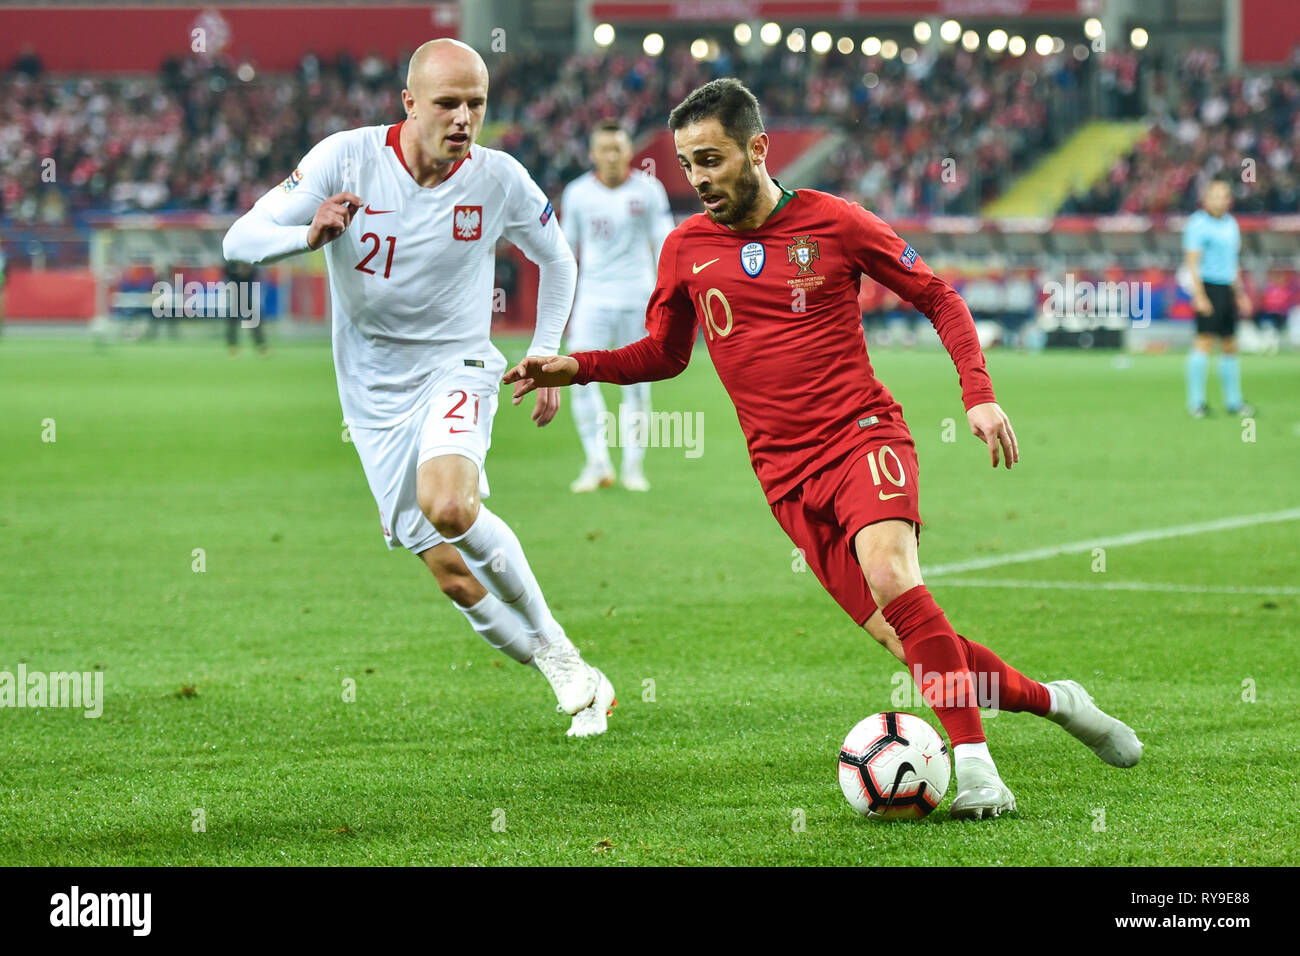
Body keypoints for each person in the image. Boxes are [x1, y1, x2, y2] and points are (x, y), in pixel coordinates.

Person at [507, 78, 1142, 815]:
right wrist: (577, 366)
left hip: (862, 435)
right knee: (917, 645)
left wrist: (978, 394)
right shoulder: (685, 249)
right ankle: (1060, 702)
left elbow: (938, 294)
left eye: (712, 159)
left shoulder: (835, 223)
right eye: (687, 165)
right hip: (785, 478)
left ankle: (976, 769)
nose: (700, 179)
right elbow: (666, 354)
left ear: (757, 149)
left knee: (892, 573)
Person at [223, 39, 614, 737]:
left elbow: (558, 260)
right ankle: (576, 679)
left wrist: (548, 350)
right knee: (454, 576)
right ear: (409, 104)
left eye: (476, 104)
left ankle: (557, 647)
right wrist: (305, 237)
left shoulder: (498, 179)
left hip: (457, 364)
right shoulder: (344, 159)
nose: (464, 118)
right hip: (371, 394)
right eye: (447, 103)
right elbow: (239, 241)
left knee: (450, 505)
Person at [560, 121, 675, 492]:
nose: (612, 156)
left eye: (619, 149)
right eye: (605, 149)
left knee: (638, 385)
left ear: (630, 152)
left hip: (637, 299)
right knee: (576, 376)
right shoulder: (577, 194)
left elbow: (666, 245)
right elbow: (565, 252)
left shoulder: (650, 191)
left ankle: (633, 467)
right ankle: (597, 462)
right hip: (592, 298)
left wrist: (667, 298)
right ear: (593, 154)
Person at [1183, 177, 1254, 418]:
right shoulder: (1197, 224)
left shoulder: (1231, 224)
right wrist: (1199, 295)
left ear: (1229, 200)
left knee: (1230, 344)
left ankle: (1234, 402)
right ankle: (1196, 402)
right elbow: (1192, 263)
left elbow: (1233, 263)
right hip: (1208, 286)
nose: (1219, 200)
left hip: (1227, 288)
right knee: (1204, 342)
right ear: (1205, 199)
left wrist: (1241, 293)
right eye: (1215, 195)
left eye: (1224, 196)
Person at [224, 258, 268, 356]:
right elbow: (226, 272)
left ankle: (260, 345)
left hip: (246, 293)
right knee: (232, 321)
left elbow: (254, 273)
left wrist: (246, 272)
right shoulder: (232, 260)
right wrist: (238, 272)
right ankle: (232, 345)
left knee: (253, 320)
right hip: (235, 292)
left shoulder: (248, 259)